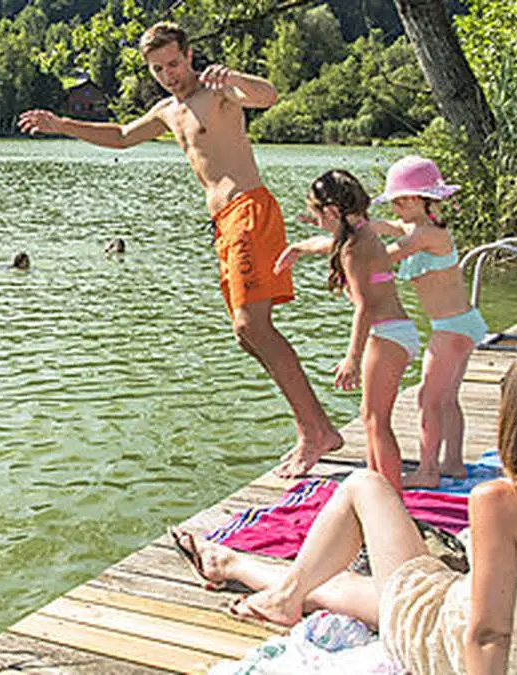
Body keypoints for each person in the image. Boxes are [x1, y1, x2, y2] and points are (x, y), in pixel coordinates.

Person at [171, 342, 517, 675]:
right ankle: (243, 568)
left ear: (516, 420)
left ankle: (284, 592)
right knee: (383, 592)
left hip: (455, 651)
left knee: (364, 486)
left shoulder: (501, 503)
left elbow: (489, 635)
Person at [18, 22, 342, 475]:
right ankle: (314, 427)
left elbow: (267, 95)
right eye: (158, 68)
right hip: (223, 223)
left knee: (256, 326)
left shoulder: (219, 92)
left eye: (173, 63)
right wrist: (61, 125)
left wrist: (234, 78)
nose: (168, 74)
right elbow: (122, 136)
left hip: (249, 209)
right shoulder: (169, 111)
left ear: (189, 55)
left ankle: (316, 432)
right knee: (246, 334)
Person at [277, 155, 485, 488]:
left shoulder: (421, 236)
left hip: (446, 328)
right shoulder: (414, 228)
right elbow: (365, 233)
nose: (395, 212)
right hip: (453, 324)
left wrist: (352, 357)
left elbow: (375, 262)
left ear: (415, 199)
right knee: (442, 400)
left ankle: (425, 472)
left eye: (399, 203)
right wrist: (306, 244)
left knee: (421, 403)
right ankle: (452, 463)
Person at [295, 170, 417, 492]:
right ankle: (380, 490)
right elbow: (329, 242)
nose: (315, 219)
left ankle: (391, 499)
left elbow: (365, 306)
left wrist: (352, 356)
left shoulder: (354, 247)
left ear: (332, 212)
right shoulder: (363, 233)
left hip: (387, 334)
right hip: (396, 331)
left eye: (316, 213)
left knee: (378, 423)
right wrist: (298, 248)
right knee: (370, 418)